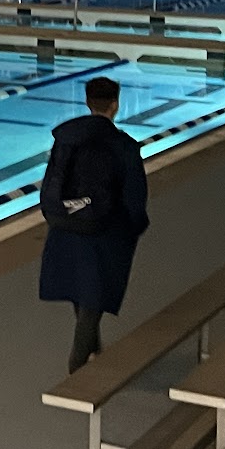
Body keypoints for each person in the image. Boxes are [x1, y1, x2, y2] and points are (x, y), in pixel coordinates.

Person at [39, 76, 150, 372]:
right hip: (105, 233)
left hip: (64, 227)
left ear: (88, 103)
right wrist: (133, 228)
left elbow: (52, 183)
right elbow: (135, 198)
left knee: (84, 297)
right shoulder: (123, 146)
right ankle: (77, 373)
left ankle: (95, 353)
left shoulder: (65, 139)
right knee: (92, 301)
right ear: (115, 105)